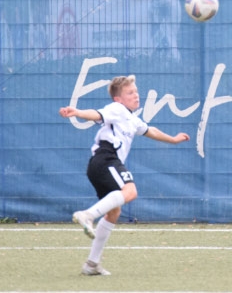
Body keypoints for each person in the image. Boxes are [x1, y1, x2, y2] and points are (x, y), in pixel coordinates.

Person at [60, 75, 190, 276]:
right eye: (130, 93)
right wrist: (77, 112)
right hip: (106, 159)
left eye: (136, 91)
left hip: (100, 164)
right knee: (130, 191)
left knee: (114, 212)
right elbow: (97, 114)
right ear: (118, 99)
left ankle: (92, 264)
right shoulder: (117, 109)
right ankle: (87, 215)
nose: (136, 95)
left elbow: (150, 130)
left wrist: (173, 139)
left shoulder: (131, 119)